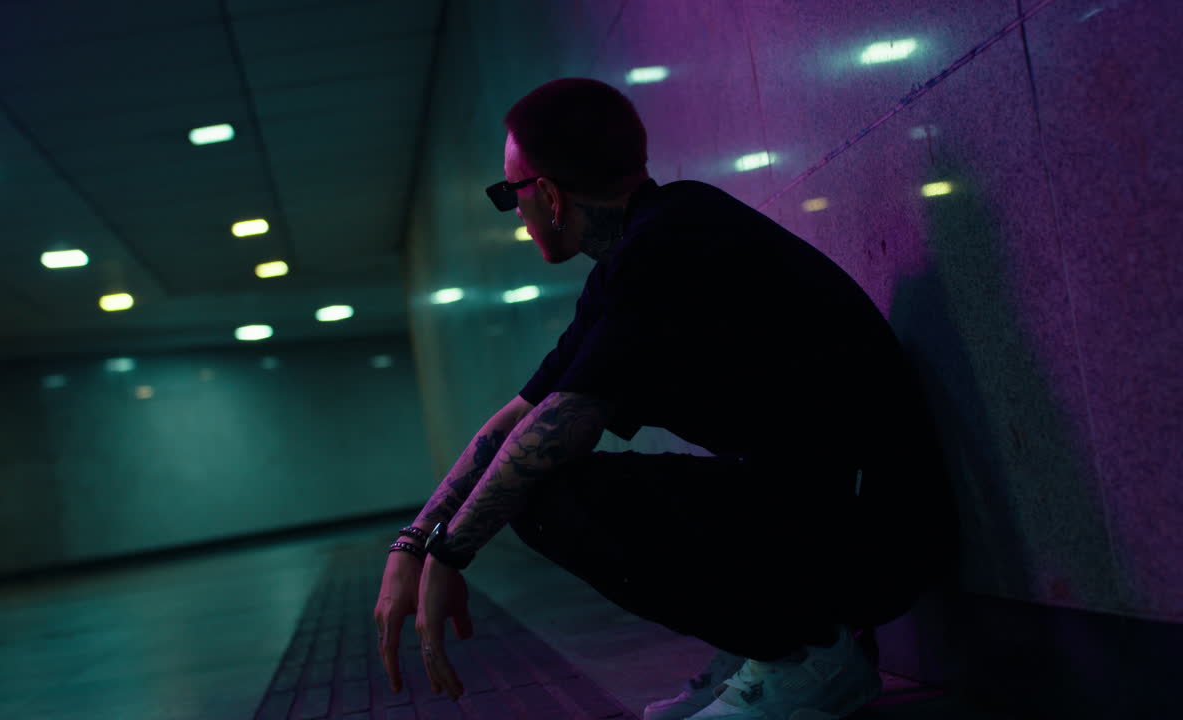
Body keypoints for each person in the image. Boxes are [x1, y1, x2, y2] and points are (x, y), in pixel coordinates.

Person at [373, 78, 959, 720]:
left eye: (507, 194)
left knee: (545, 495)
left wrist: (451, 552)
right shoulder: (641, 248)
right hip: (832, 512)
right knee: (535, 483)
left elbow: (565, 423)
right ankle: (772, 640)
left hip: (876, 533)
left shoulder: (670, 242)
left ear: (545, 192)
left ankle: (807, 656)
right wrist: (415, 543)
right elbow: (522, 414)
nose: (514, 212)